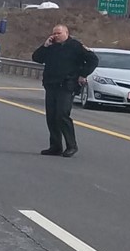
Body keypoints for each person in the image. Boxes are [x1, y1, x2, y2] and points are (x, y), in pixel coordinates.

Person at [31, 24, 99, 157]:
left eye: (58, 33)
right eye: (54, 33)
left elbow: (93, 60)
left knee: (62, 115)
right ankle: (55, 146)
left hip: (67, 86)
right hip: (51, 85)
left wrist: (83, 74)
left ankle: (71, 146)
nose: (55, 36)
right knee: (51, 117)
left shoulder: (75, 46)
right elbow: (37, 58)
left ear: (66, 33)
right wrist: (45, 46)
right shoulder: (51, 47)